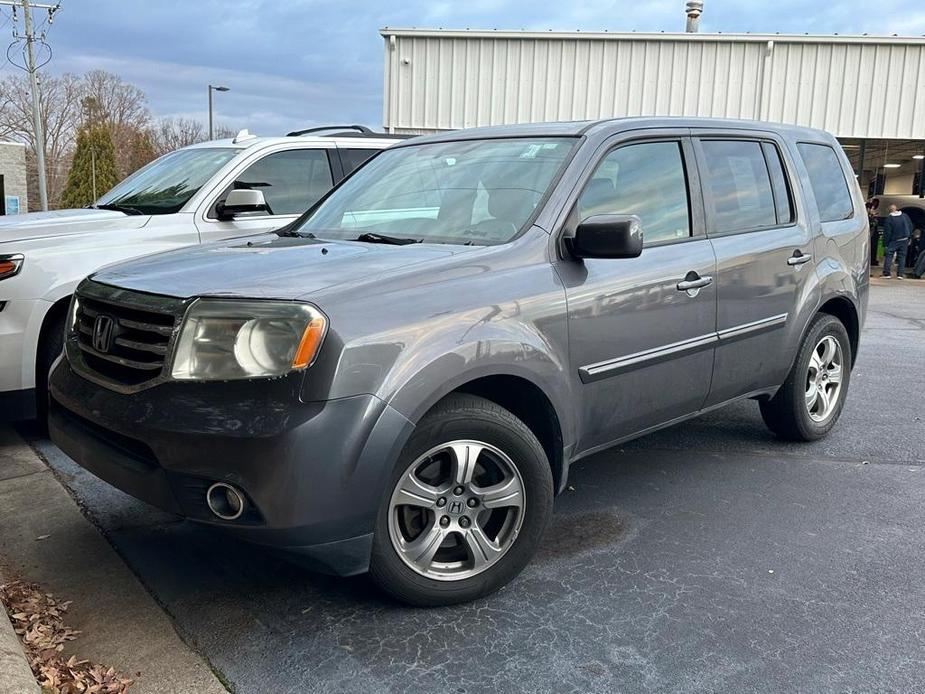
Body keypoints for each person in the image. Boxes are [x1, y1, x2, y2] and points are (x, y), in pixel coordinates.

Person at [881, 204, 913, 279]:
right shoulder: (905, 216)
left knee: (889, 256)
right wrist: (909, 237)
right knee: (902, 257)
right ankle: (900, 274)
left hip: (894, 240)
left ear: (889, 211)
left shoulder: (889, 219)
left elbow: (887, 232)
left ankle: (887, 273)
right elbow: (910, 226)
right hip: (904, 239)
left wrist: (885, 244)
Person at [867, 198, 881, 265]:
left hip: (873, 230)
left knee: (873, 246)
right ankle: (872, 260)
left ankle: (872, 260)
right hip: (871, 230)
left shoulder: (871, 209)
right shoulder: (868, 209)